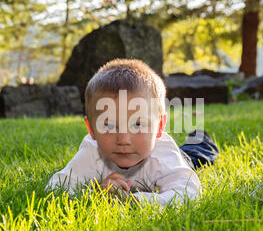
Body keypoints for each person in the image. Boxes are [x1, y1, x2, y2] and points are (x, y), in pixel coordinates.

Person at [46, 59, 219, 207]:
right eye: (109, 126)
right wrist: (95, 193)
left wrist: (138, 200)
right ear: (91, 129)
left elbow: (189, 193)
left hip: (175, 155)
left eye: (137, 124)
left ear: (159, 127)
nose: (123, 139)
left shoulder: (164, 157)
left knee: (196, 155)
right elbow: (56, 188)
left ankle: (202, 138)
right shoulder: (91, 152)